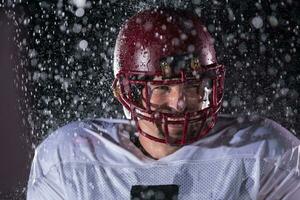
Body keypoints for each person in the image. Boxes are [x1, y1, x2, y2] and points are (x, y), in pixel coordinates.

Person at [27, 8, 300, 200]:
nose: (180, 103)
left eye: (193, 86)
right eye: (162, 87)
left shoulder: (264, 154)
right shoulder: (68, 160)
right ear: (127, 93)